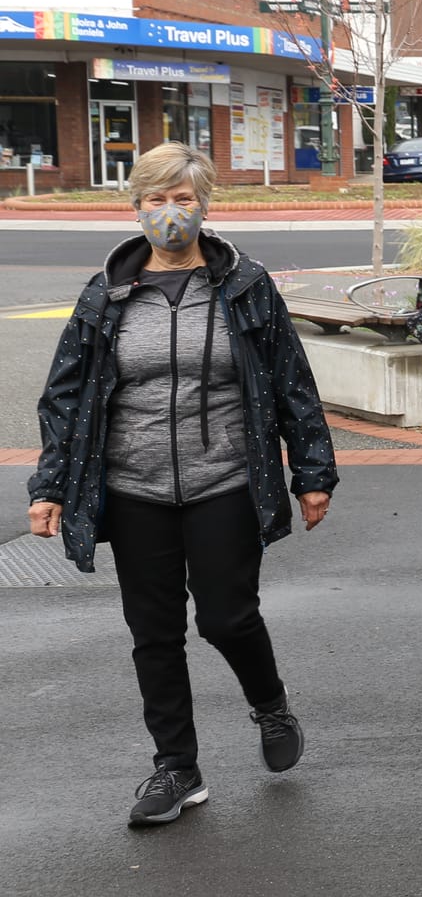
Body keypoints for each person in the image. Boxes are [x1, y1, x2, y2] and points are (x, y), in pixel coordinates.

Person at [27, 142, 338, 827]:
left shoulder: (244, 287)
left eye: (184, 199)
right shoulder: (107, 294)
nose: (171, 213)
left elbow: (292, 382)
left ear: (206, 205)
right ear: (136, 207)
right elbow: (65, 398)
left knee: (226, 615)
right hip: (134, 486)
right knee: (153, 631)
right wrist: (49, 486)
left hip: (224, 477)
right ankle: (177, 768)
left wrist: (312, 471)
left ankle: (270, 701)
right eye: (157, 200)